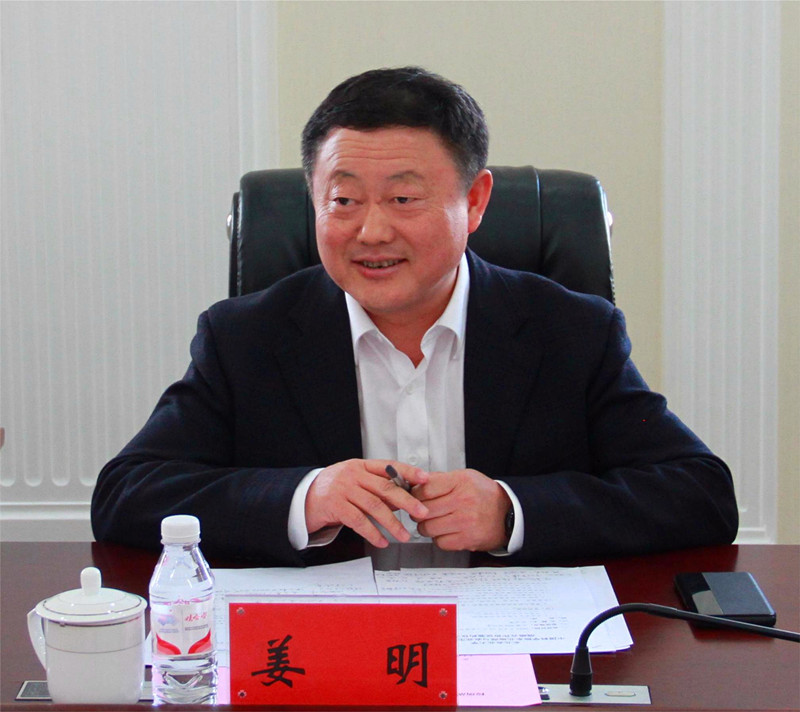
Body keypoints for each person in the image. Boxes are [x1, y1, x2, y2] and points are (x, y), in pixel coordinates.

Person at [91, 67, 738, 566]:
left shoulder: (570, 331)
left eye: (403, 198)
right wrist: (304, 498)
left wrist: (512, 512)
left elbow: (698, 493)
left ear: (475, 201)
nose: (371, 231)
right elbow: (128, 495)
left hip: (511, 652)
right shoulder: (245, 338)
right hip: (329, 656)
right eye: (343, 200)